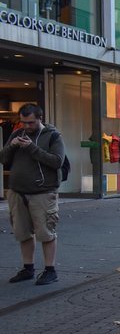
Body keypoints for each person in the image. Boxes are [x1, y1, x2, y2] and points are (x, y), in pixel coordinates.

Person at [0, 103, 65, 286]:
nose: (27, 127)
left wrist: (31, 148)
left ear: (40, 119)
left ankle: (50, 270)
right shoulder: (16, 134)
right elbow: (3, 158)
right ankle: (27, 268)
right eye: (23, 123)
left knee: (46, 232)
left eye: (30, 123)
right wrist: (12, 146)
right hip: (17, 192)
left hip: (43, 193)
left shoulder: (53, 135)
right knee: (22, 232)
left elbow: (57, 161)